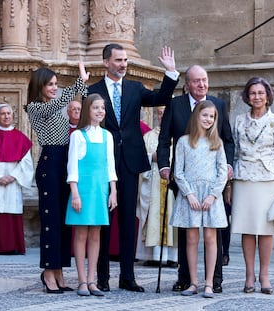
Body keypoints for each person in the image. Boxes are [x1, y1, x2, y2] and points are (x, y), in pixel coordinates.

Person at [88, 43, 179, 292]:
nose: (123, 64)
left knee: (128, 220)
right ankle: (102, 277)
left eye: (125, 60)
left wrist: (170, 73)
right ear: (106, 62)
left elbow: (160, 98)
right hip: (102, 163)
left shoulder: (135, 88)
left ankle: (127, 276)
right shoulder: (92, 91)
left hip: (129, 162)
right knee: (103, 220)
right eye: (118, 60)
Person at [157, 65, 234, 293]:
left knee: (214, 235)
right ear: (188, 84)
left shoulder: (217, 105)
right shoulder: (175, 105)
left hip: (212, 184)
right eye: (197, 81)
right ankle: (186, 279)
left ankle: (214, 280)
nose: (202, 84)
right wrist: (164, 165)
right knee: (187, 233)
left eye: (205, 80)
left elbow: (228, 139)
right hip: (184, 181)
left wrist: (228, 165)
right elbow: (164, 139)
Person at [24, 62, 89, 294]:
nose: (54, 88)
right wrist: (80, 82)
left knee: (63, 221)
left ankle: (60, 270)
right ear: (40, 85)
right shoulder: (34, 107)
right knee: (51, 222)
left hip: (64, 162)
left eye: (55, 84)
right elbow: (64, 102)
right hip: (49, 163)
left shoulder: (53, 106)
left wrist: (84, 88)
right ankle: (48, 273)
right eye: (50, 84)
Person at [230, 77, 274, 295]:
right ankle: (249, 275)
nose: (257, 97)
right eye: (253, 93)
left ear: (268, 96)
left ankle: (264, 276)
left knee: (266, 230)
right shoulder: (238, 120)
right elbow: (234, 152)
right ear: (247, 96)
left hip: (269, 180)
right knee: (247, 229)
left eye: (261, 93)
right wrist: (229, 183)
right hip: (243, 179)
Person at [170, 100, 228, 298]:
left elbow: (222, 172)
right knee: (192, 238)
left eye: (212, 116)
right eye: (205, 115)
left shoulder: (217, 143)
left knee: (211, 238)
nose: (208, 119)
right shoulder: (184, 142)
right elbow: (178, 172)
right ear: (196, 116)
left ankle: (209, 283)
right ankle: (193, 282)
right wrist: (189, 194)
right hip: (191, 196)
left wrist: (213, 195)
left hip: (211, 195)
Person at [65, 93, 118, 297]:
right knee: (81, 235)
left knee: (96, 235)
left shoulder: (107, 136)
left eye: (102, 108)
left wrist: (113, 191)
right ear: (88, 110)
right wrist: (75, 193)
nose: (100, 111)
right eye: (96, 107)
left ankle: (92, 279)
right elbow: (73, 167)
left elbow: (110, 166)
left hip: (100, 189)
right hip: (83, 190)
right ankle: (81, 280)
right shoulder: (78, 136)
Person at [0, 104, 34, 255]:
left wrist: (13, 176)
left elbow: (27, 161)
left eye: (9, 113)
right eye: (2, 114)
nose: (6, 116)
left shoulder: (20, 137)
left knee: (11, 210)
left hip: (13, 179)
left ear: (12, 116)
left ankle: (13, 246)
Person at [136, 106, 178, 267]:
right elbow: (141, 159)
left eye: (166, 113)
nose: (162, 116)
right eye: (160, 113)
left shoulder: (178, 135)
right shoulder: (148, 137)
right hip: (153, 182)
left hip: (172, 183)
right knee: (153, 214)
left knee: (172, 216)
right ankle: (152, 255)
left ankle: (172, 257)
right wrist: (151, 157)